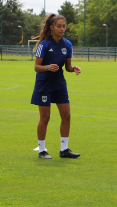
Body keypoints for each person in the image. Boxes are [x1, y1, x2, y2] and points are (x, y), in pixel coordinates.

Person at [31, 13, 82, 159]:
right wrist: (47, 67)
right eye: (59, 26)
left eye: (64, 26)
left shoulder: (67, 44)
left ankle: (64, 150)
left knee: (66, 115)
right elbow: (36, 67)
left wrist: (74, 69)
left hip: (59, 84)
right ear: (52, 27)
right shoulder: (44, 44)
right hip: (44, 84)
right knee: (45, 117)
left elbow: (67, 67)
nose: (62, 29)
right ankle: (42, 151)